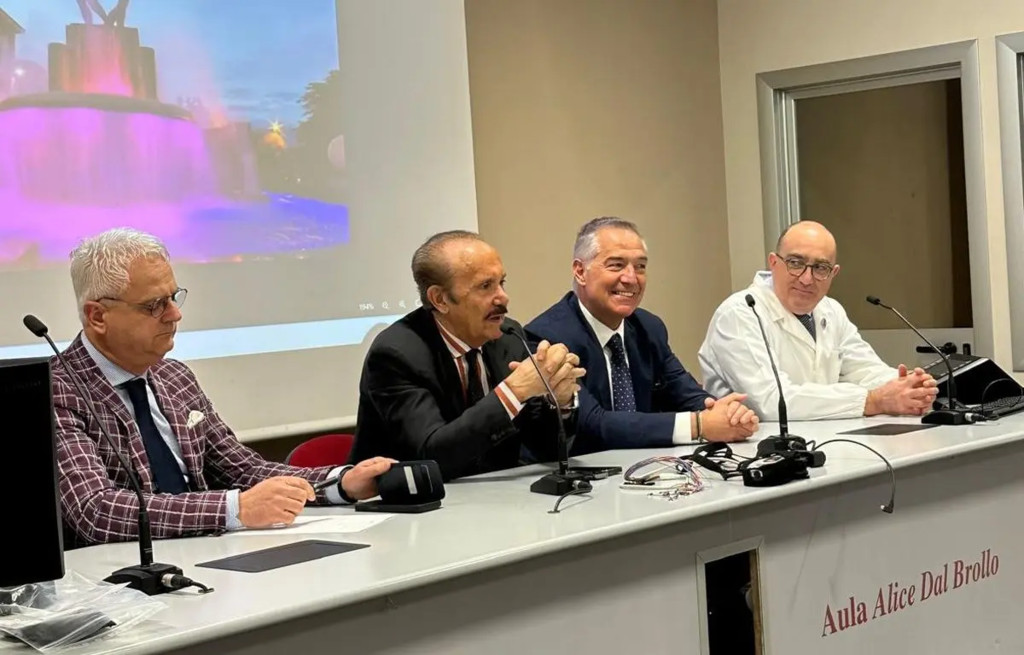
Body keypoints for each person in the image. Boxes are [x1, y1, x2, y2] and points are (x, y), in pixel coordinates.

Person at [53, 228, 392, 546]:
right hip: (118, 575)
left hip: (204, 554)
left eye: (173, 298)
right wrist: (235, 509)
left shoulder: (174, 377)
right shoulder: (57, 391)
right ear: (98, 316)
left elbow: (241, 469)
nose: (174, 315)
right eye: (154, 305)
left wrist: (338, 484)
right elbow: (95, 510)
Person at [349, 230, 585, 480]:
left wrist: (558, 402)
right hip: (406, 497)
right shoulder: (396, 354)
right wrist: (513, 392)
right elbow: (432, 458)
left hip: (494, 495)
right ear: (440, 299)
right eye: (485, 286)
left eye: (501, 283)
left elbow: (545, 450)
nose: (503, 297)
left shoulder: (507, 336)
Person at [526, 217, 758, 455]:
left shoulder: (648, 327)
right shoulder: (548, 337)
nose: (631, 278)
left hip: (648, 467)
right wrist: (697, 426)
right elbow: (592, 424)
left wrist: (726, 413)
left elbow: (684, 391)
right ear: (580, 271)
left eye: (640, 267)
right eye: (616, 265)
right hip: (586, 472)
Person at [698, 220, 939, 420]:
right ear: (773, 263)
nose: (806, 279)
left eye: (820, 268)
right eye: (795, 263)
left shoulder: (830, 310)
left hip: (829, 438)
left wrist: (907, 387)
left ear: (834, 273)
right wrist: (872, 401)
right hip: (759, 451)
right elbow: (771, 401)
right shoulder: (740, 313)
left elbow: (863, 369)